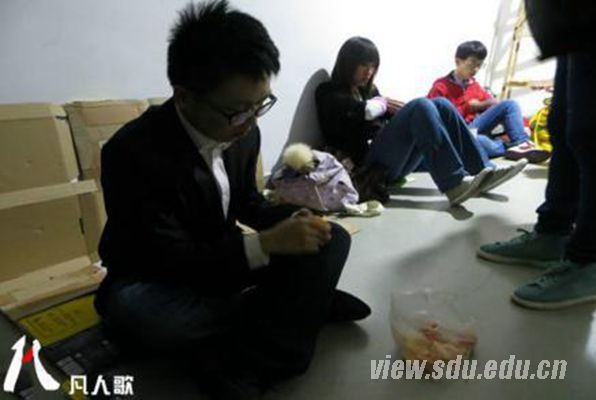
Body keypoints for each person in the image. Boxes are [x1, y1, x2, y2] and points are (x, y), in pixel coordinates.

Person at [93, 2, 370, 398]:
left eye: (261, 105)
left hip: (222, 263)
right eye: (238, 111)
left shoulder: (242, 132)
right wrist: (266, 245)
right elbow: (169, 258)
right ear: (185, 97)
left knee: (332, 238)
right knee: (144, 314)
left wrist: (293, 217)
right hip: (158, 275)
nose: (251, 122)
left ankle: (271, 328)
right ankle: (296, 310)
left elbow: (246, 202)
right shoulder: (132, 152)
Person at [477, 0, 596, 309]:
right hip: (574, 15)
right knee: (562, 122)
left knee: (592, 130)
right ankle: (553, 232)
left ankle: (591, 259)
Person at [315, 37, 527, 206]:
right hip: (366, 170)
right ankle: (453, 183)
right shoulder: (328, 91)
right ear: (348, 63)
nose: (369, 72)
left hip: (391, 161)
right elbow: (363, 111)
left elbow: (385, 113)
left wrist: (397, 110)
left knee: (440, 104)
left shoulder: (369, 91)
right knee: (421, 105)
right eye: (363, 65)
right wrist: (385, 104)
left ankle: (483, 170)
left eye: (373, 66)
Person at [428, 41, 550, 163]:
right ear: (458, 61)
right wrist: (469, 107)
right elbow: (432, 120)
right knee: (479, 141)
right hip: (457, 133)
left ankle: (521, 143)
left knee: (510, 104)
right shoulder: (441, 87)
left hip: (475, 127)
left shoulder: (474, 85)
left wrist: (524, 125)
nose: (476, 69)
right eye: (472, 63)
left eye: (479, 65)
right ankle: (509, 148)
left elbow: (497, 107)